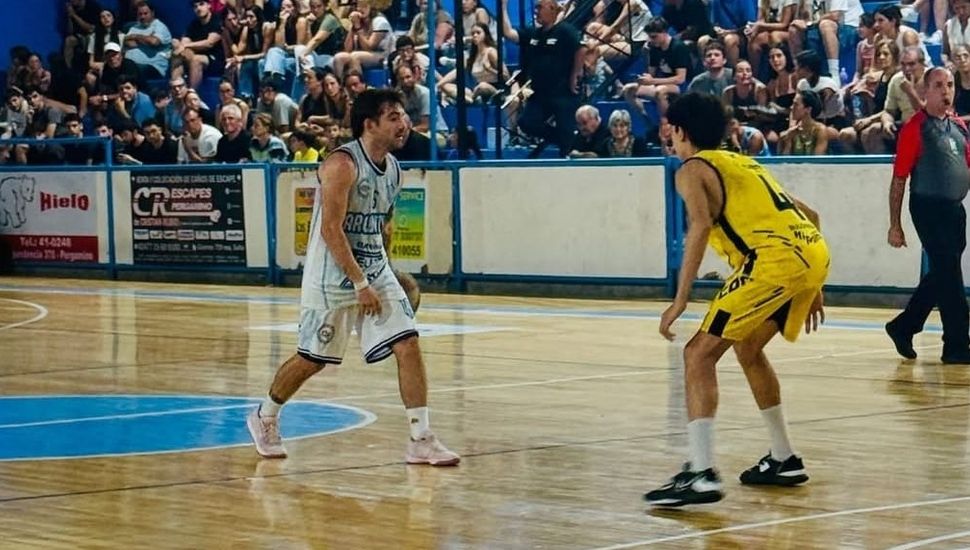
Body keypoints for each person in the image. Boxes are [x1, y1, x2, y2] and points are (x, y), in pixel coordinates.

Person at [246, 89, 460, 466]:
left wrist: (385, 273)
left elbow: (382, 225)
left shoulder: (393, 168)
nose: (404, 123)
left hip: (374, 269)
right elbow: (331, 230)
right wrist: (360, 284)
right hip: (330, 277)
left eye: (404, 116)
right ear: (369, 124)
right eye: (393, 116)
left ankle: (420, 437)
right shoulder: (341, 165)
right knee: (313, 359)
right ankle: (265, 416)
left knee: (408, 342)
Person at [644, 92, 828, 507]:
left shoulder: (692, 168)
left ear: (679, 130)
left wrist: (680, 299)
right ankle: (784, 458)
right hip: (810, 253)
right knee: (747, 347)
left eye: (669, 127)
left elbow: (701, 227)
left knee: (697, 355)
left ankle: (701, 472)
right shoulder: (742, 161)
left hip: (774, 261)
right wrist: (811, 283)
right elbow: (811, 217)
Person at [886, 67, 970, 364]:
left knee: (943, 273)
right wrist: (895, 225)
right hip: (927, 208)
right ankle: (957, 346)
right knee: (950, 274)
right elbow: (898, 180)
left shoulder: (959, 127)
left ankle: (904, 326)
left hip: (954, 211)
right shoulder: (915, 128)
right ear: (926, 92)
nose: (946, 91)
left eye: (950, 85)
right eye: (938, 85)